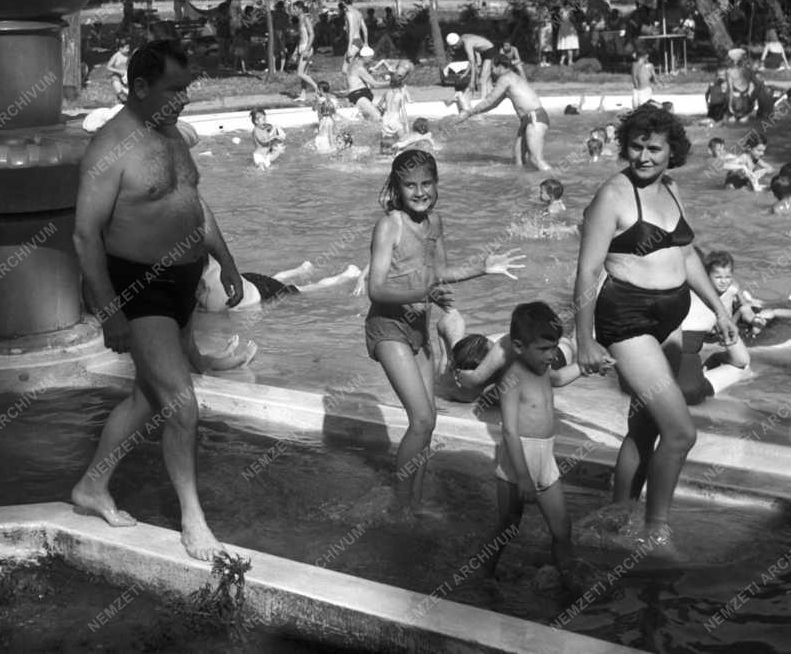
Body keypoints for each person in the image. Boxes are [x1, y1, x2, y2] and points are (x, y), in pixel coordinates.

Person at [71, 40, 243, 561]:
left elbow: (192, 200)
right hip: (137, 285)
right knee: (181, 404)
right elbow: (84, 236)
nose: (185, 99)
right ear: (140, 87)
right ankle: (194, 520)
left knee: (147, 398)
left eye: (187, 88)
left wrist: (227, 260)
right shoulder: (109, 148)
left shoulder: (170, 136)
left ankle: (90, 487)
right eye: (175, 89)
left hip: (182, 283)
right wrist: (111, 312)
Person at [574, 104, 739, 557]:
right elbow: (587, 272)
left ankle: (616, 516)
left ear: (672, 152)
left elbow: (686, 256)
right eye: (636, 146)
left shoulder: (671, 187)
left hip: (667, 318)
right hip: (626, 320)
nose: (644, 156)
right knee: (681, 432)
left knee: (646, 428)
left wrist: (719, 309)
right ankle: (656, 531)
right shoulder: (613, 195)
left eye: (654, 148)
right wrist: (585, 338)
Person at [364, 148, 523, 515]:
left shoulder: (434, 223)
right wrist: (423, 293)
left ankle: (414, 504)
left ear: (436, 184)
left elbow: (440, 273)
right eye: (409, 185)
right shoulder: (390, 225)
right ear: (396, 187)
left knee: (429, 422)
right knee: (420, 419)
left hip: (418, 328)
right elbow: (376, 288)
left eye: (426, 183)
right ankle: (400, 509)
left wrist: (483, 267)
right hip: (387, 327)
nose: (419, 192)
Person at [482, 302, 586, 582]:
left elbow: (560, 378)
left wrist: (586, 367)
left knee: (563, 528)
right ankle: (484, 574)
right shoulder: (512, 380)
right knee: (508, 526)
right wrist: (524, 477)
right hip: (519, 463)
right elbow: (509, 432)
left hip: (546, 459)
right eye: (543, 349)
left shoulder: (543, 371)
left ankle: (567, 578)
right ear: (518, 346)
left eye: (554, 348)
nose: (551, 356)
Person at [449, 57, 552, 172]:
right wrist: (470, 114)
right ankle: (526, 186)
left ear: (501, 67)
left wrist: (468, 113)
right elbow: (493, 104)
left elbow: (489, 101)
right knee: (518, 159)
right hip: (528, 120)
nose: (491, 71)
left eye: (492, 68)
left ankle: (556, 182)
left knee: (536, 159)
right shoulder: (511, 78)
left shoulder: (505, 78)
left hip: (534, 117)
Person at [197, 256, 361, 311]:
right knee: (273, 278)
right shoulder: (212, 265)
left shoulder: (210, 298)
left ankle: (347, 275)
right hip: (246, 280)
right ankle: (301, 270)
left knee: (304, 290)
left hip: (261, 291)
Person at [377, 74, 410, 154]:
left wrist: (383, 112)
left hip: (385, 118)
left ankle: (382, 156)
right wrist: (406, 125)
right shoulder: (400, 95)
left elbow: (379, 105)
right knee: (404, 141)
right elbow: (403, 111)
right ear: (401, 85)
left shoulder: (386, 93)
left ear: (391, 83)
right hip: (395, 118)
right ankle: (399, 155)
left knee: (383, 143)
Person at [344, 52, 381, 122]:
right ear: (365, 57)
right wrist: (391, 83)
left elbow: (346, 71)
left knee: (368, 120)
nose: (371, 60)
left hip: (357, 96)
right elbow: (375, 84)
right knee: (378, 117)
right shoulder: (359, 68)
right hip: (360, 97)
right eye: (370, 58)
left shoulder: (353, 66)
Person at [293, 2, 319, 100]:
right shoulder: (300, 19)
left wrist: (306, 49)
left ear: (300, 9)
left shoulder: (305, 18)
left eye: (295, 9)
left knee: (300, 73)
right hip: (301, 47)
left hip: (306, 48)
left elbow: (312, 34)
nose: (293, 11)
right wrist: (297, 50)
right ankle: (303, 95)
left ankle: (317, 88)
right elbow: (301, 37)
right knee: (304, 74)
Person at [340, 0, 369, 72]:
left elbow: (352, 30)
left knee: (345, 69)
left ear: (343, 3)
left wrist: (349, 47)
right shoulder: (358, 13)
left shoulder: (349, 13)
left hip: (353, 42)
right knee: (357, 68)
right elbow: (365, 29)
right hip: (360, 41)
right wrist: (366, 43)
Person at [314, 80, 340, 153]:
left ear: (321, 89)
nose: (316, 90)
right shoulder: (333, 99)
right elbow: (334, 111)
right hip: (330, 120)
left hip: (324, 123)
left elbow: (313, 108)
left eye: (317, 89)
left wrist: (316, 100)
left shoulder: (320, 100)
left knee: (327, 132)